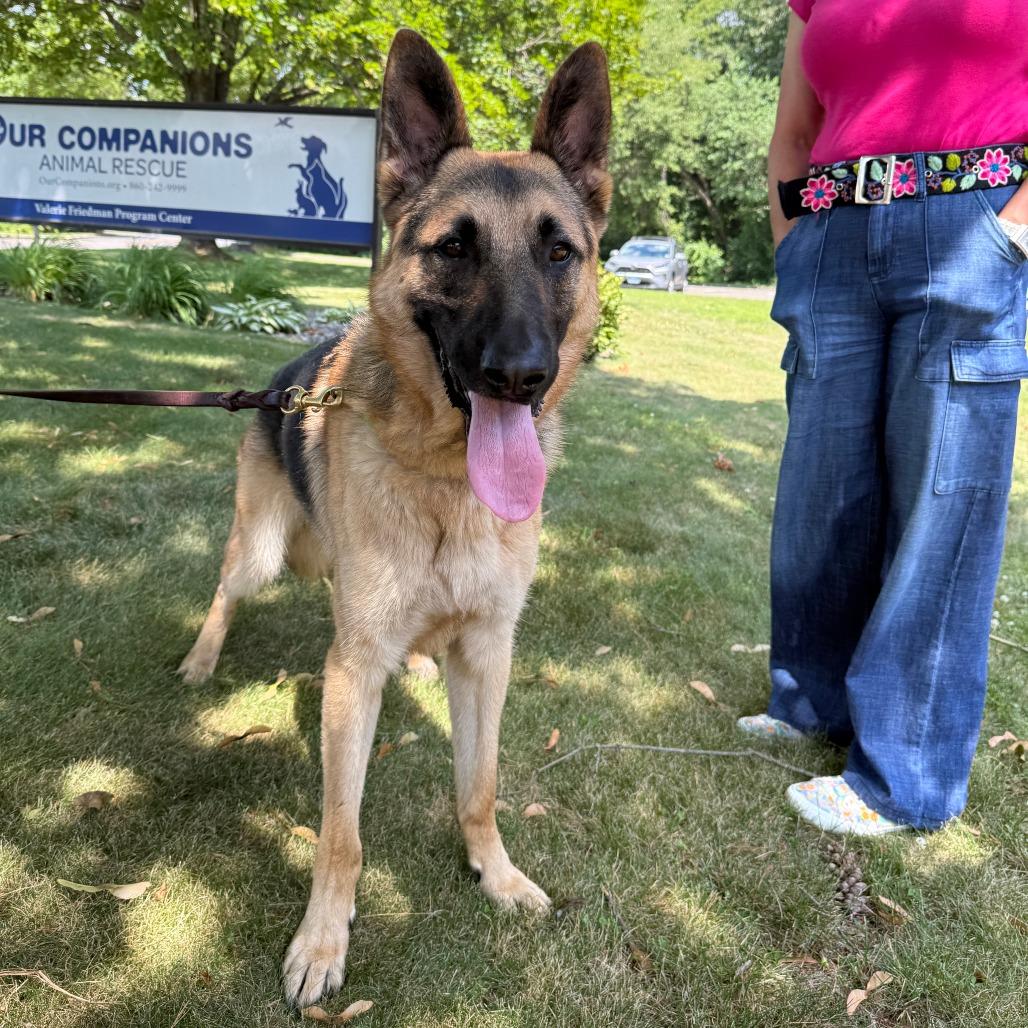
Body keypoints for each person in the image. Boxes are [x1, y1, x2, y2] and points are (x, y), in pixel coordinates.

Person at [740, 0, 1028, 835]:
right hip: (832, 237)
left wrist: (1015, 230)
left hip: (972, 222)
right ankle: (810, 701)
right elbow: (794, 131)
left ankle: (906, 777)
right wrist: (793, 244)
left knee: (942, 500)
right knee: (822, 490)